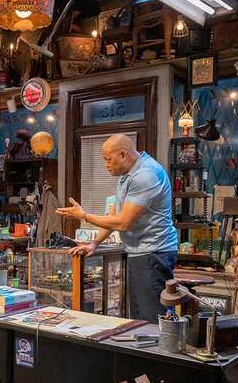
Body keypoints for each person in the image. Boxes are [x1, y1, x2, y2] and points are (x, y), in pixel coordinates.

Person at [56, 134, 178, 323]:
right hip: (141, 253)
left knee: (153, 319)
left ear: (123, 154)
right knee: (138, 319)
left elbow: (122, 223)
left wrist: (84, 216)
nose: (106, 164)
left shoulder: (145, 175)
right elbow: (114, 215)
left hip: (154, 253)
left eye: (108, 159)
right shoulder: (127, 175)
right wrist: (94, 243)